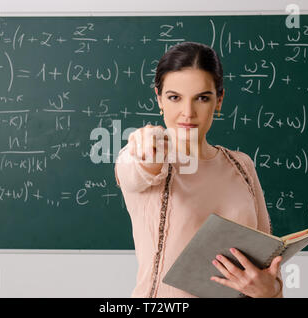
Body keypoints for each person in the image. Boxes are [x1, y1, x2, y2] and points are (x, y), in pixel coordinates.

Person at [114, 42, 283, 298]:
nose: (188, 112)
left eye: (202, 98)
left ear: (219, 100)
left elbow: (269, 264)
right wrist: (146, 150)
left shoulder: (242, 166)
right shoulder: (141, 155)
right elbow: (137, 172)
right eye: (174, 97)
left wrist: (270, 291)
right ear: (159, 98)